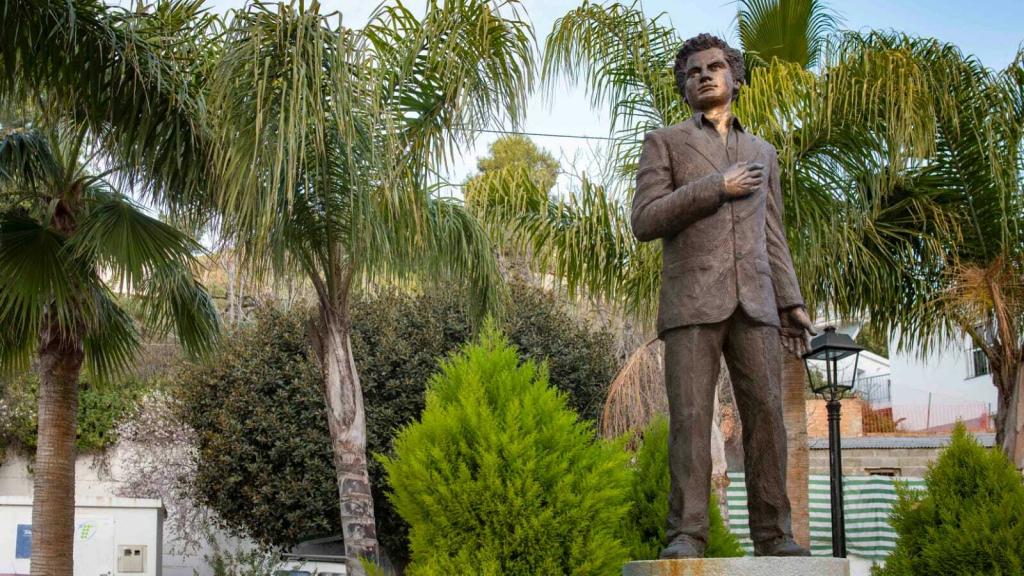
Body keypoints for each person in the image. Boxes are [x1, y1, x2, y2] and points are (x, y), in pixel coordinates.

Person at [631, 33, 814, 559]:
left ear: (734, 77)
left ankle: (775, 535)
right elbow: (645, 220)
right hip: (691, 301)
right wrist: (717, 186)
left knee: (766, 419)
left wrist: (790, 302)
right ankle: (686, 534)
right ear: (684, 87)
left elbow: (772, 233)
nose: (704, 76)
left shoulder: (763, 152)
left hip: (756, 300)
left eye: (714, 67)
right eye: (693, 72)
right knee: (689, 419)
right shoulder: (664, 143)